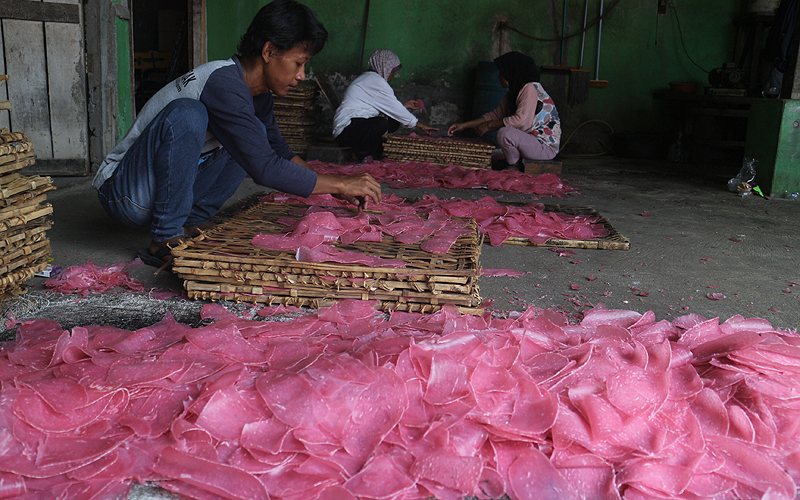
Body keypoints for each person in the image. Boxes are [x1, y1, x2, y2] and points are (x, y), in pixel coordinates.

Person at [93, 0, 381, 268]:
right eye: (298, 63)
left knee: (249, 136)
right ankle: (164, 238)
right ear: (269, 52)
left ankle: (190, 221)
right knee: (189, 114)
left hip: (157, 192)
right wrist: (343, 184)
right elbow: (265, 168)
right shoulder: (223, 81)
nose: (301, 75)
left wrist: (334, 188)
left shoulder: (258, 96)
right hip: (125, 194)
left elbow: (277, 151)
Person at [448, 51, 561, 168]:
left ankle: (514, 166)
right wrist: (464, 125)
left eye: (503, 72)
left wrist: (489, 125)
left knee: (504, 133)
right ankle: (513, 164)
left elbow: (521, 121)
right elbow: (493, 116)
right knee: (504, 132)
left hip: (544, 147)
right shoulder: (513, 94)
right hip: (531, 144)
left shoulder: (530, 88)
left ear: (513, 72)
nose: (499, 76)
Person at [333, 49, 438, 162]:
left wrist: (405, 105)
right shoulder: (375, 81)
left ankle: (373, 151)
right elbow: (396, 109)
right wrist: (421, 125)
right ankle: (356, 156)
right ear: (385, 68)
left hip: (355, 127)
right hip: (346, 130)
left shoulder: (369, 78)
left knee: (392, 121)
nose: (393, 75)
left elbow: (387, 107)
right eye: (392, 71)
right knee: (380, 123)